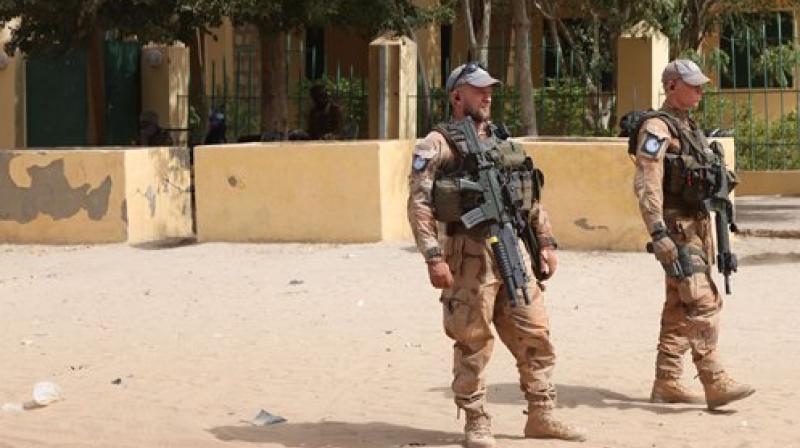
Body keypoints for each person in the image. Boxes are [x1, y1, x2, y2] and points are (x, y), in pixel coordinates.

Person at [407, 62, 585, 448]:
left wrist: (546, 242)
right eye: (478, 90)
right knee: (473, 338)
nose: (488, 96)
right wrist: (433, 256)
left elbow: (529, 197)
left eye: (490, 89)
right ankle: (476, 419)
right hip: (468, 255)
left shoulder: (503, 141)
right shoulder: (436, 144)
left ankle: (542, 413)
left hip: (512, 246)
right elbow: (419, 203)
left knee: (534, 330)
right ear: (457, 96)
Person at [632, 59, 755, 409]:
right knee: (703, 300)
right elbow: (647, 180)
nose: (700, 90)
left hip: (697, 225)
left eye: (701, 85)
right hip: (677, 228)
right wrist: (657, 231)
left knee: (678, 304)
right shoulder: (657, 128)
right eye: (693, 85)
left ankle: (667, 380)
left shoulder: (690, 127)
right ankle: (713, 379)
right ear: (671, 86)